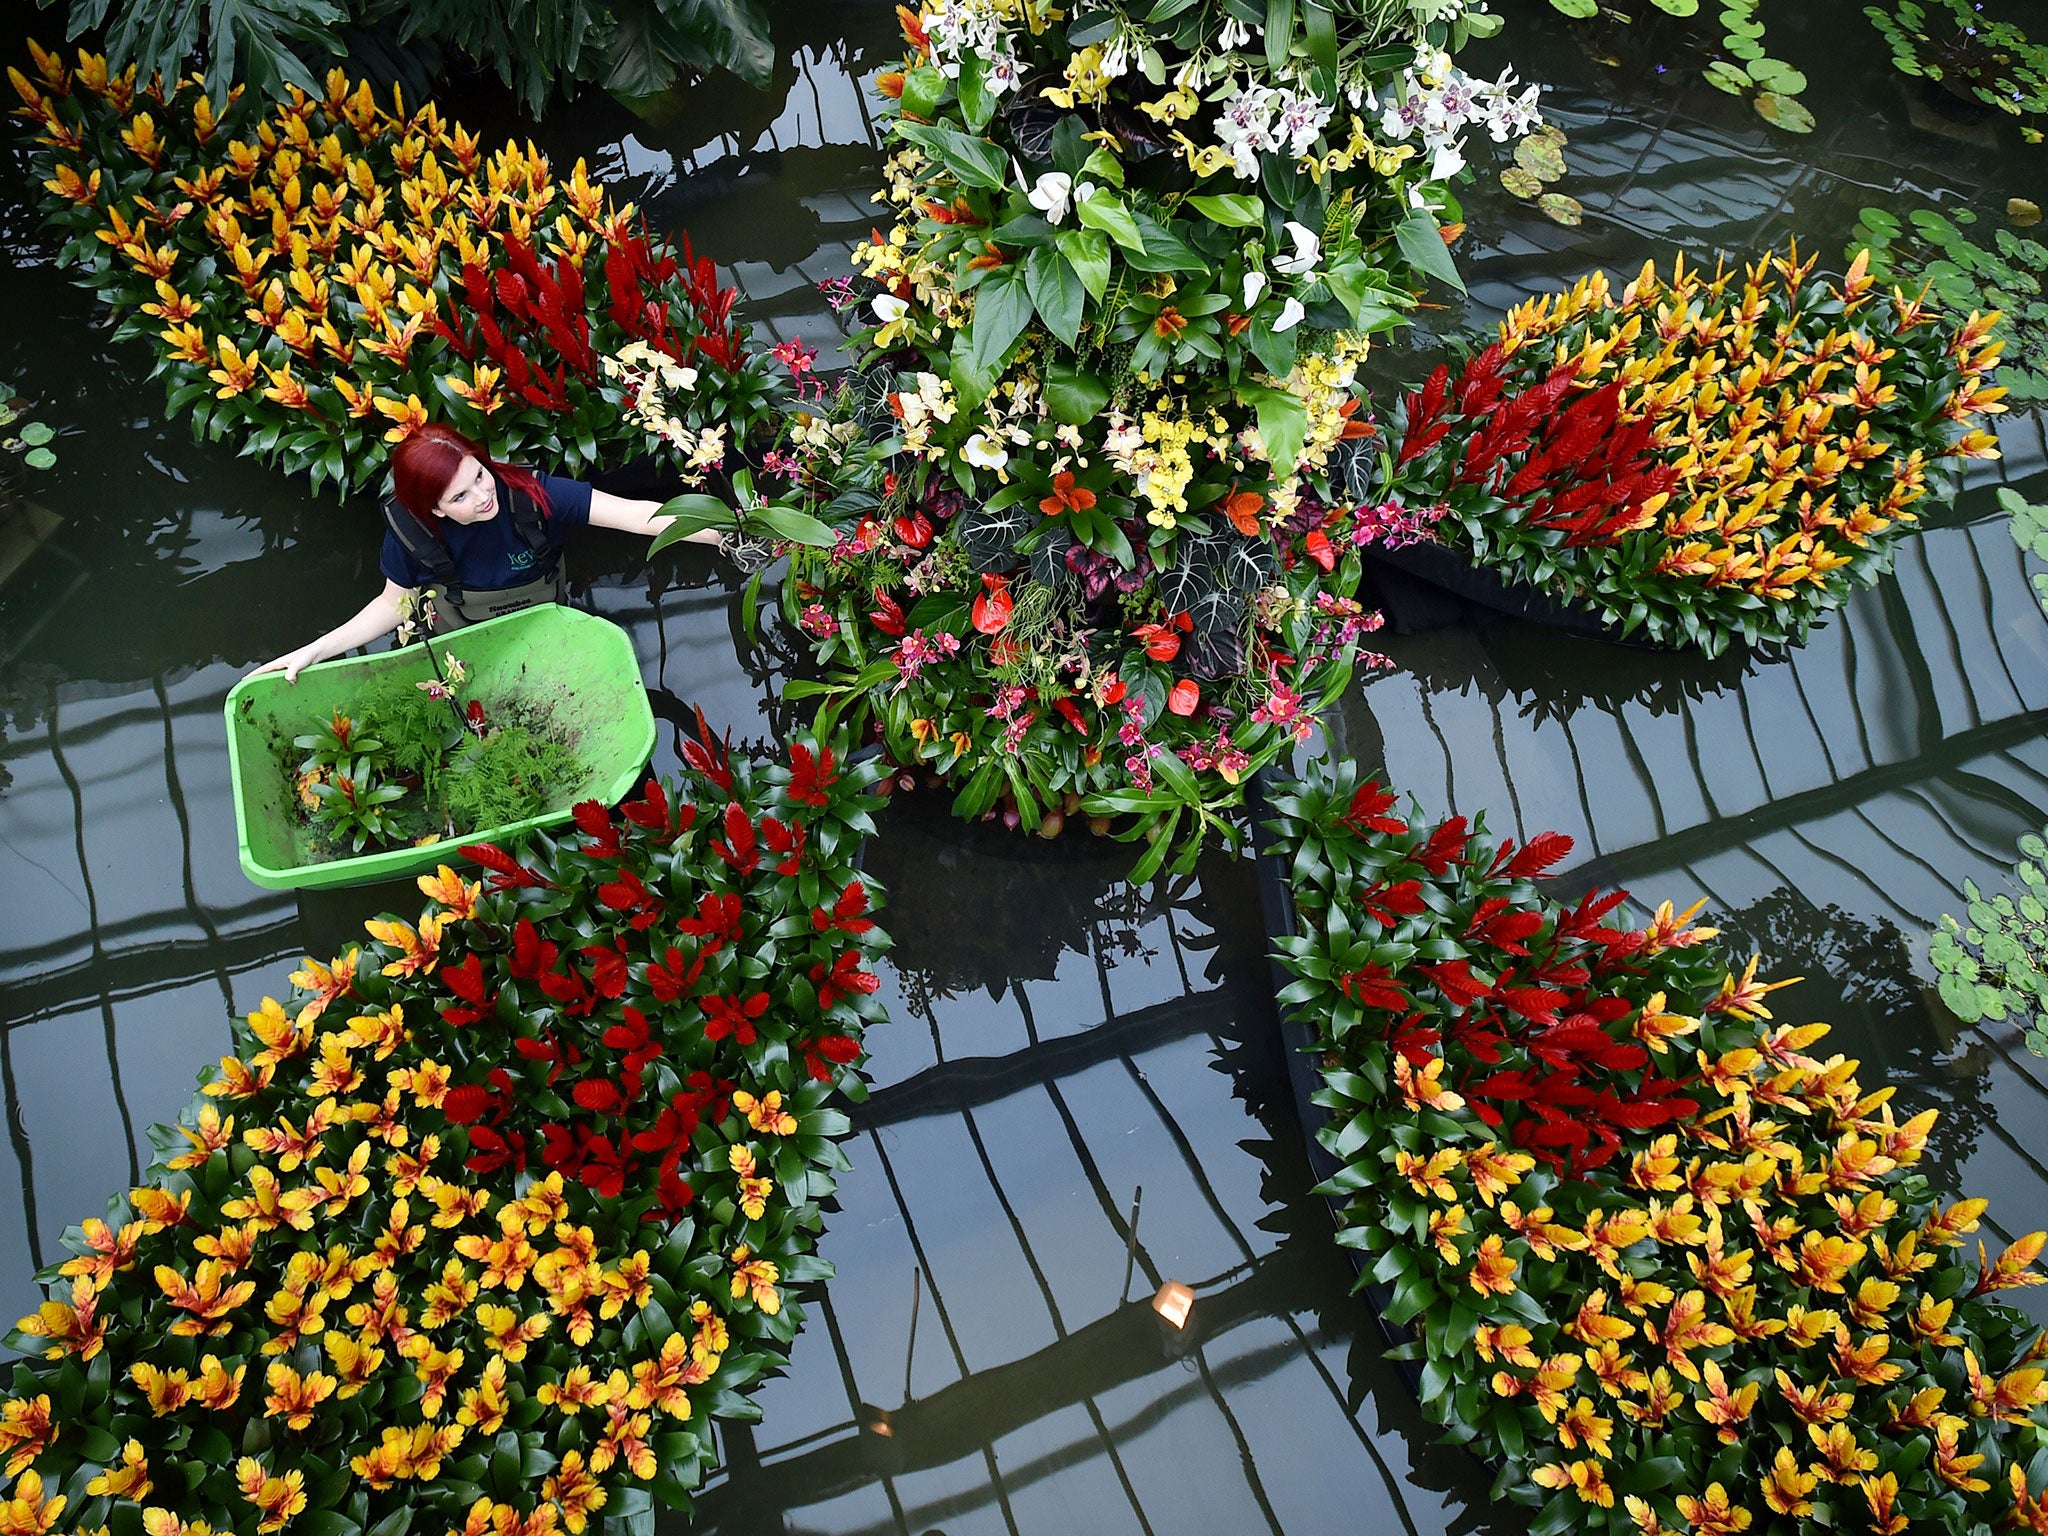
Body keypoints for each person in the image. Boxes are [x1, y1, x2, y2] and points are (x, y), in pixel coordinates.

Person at [252, 423, 721, 681]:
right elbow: (394, 604)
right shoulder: (411, 534)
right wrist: (316, 651)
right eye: (459, 497)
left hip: (544, 623)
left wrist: (730, 534)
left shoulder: (531, 494)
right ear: (431, 507)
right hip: (464, 642)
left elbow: (639, 516)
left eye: (479, 475)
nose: (482, 497)